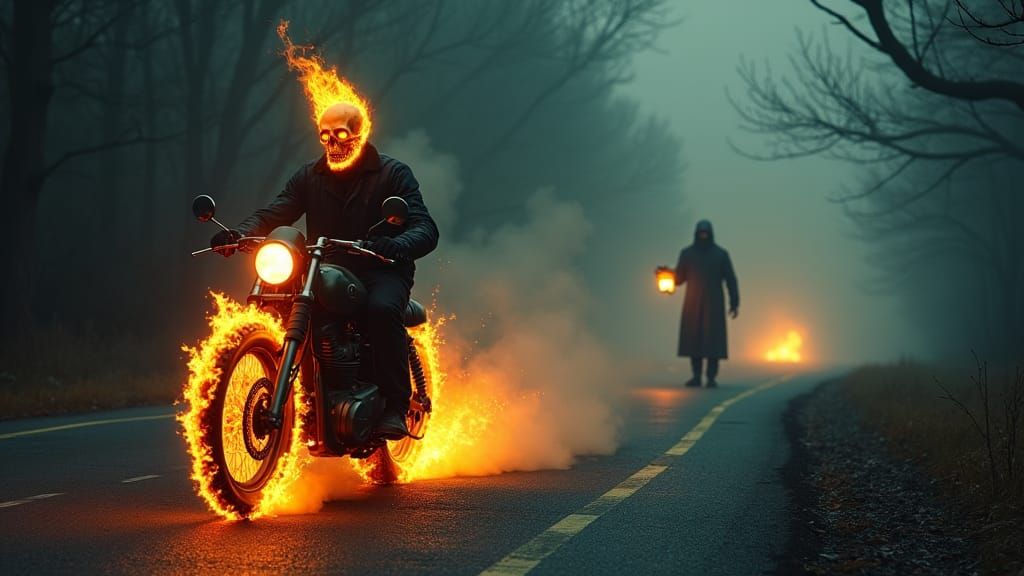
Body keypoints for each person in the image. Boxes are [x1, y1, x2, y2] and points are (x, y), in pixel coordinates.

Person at [210, 101, 439, 439]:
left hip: (381, 267)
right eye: (325, 136)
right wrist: (240, 233)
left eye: (341, 134)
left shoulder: (393, 174)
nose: (333, 144)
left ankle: (395, 406)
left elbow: (425, 227)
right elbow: (275, 212)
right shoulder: (309, 176)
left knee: (380, 309)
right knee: (285, 303)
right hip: (326, 268)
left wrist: (398, 245)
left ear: (359, 134)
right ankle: (308, 400)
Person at [674, 220, 739, 388]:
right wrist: (666, 275)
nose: (703, 236)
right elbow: (679, 279)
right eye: (701, 233)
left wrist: (734, 302)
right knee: (693, 341)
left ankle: (711, 376)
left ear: (710, 234)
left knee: (713, 342)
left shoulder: (720, 255)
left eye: (706, 233)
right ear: (696, 234)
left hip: (714, 304)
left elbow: (731, 279)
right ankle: (696, 376)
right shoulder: (687, 254)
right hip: (693, 304)